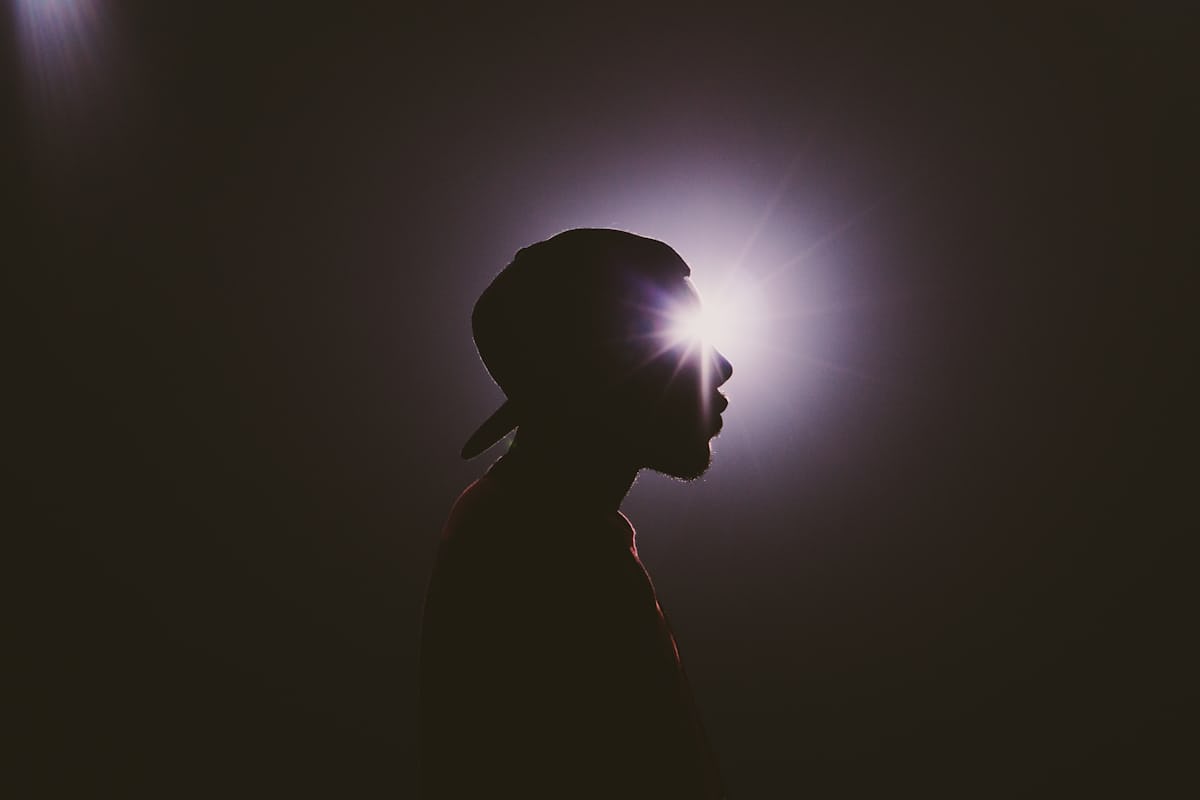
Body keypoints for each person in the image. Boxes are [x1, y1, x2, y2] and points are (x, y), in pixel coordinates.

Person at [418, 229, 733, 799]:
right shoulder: (536, 551)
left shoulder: (541, 526)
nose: (723, 367)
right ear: (603, 373)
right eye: (683, 341)